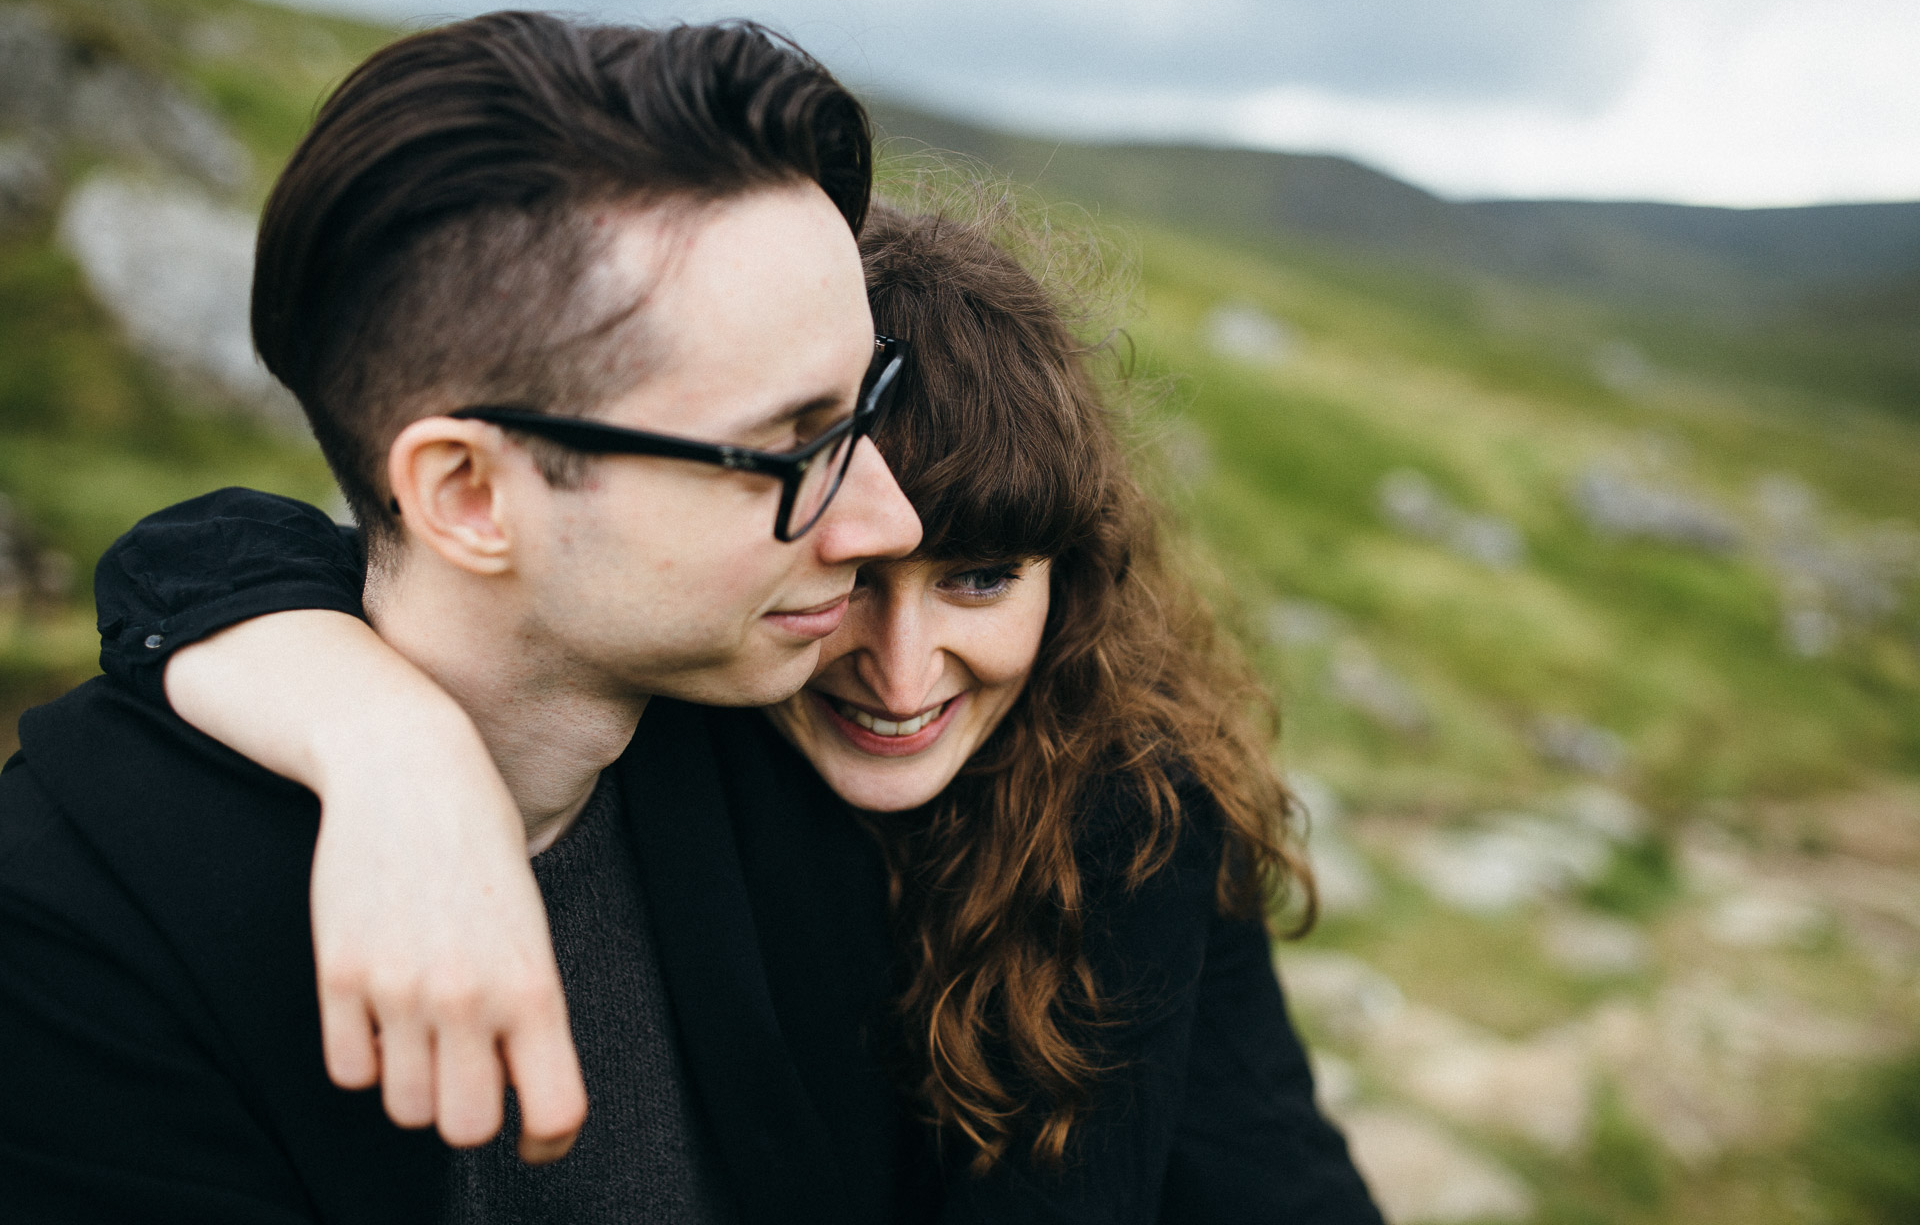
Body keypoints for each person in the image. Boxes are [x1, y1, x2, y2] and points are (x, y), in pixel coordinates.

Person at [87, 202, 1385, 1222]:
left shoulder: (1126, 811)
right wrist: (396, 752)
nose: (900, 664)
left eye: (981, 578)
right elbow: (196, 553)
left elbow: (1217, 1179)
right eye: (853, 576)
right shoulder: (680, 686)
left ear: (1073, 579)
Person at [0, 10, 925, 1224]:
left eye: (864, 407)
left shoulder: (813, 729)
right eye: (791, 446)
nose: (891, 521)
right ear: (469, 495)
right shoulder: (76, 939)